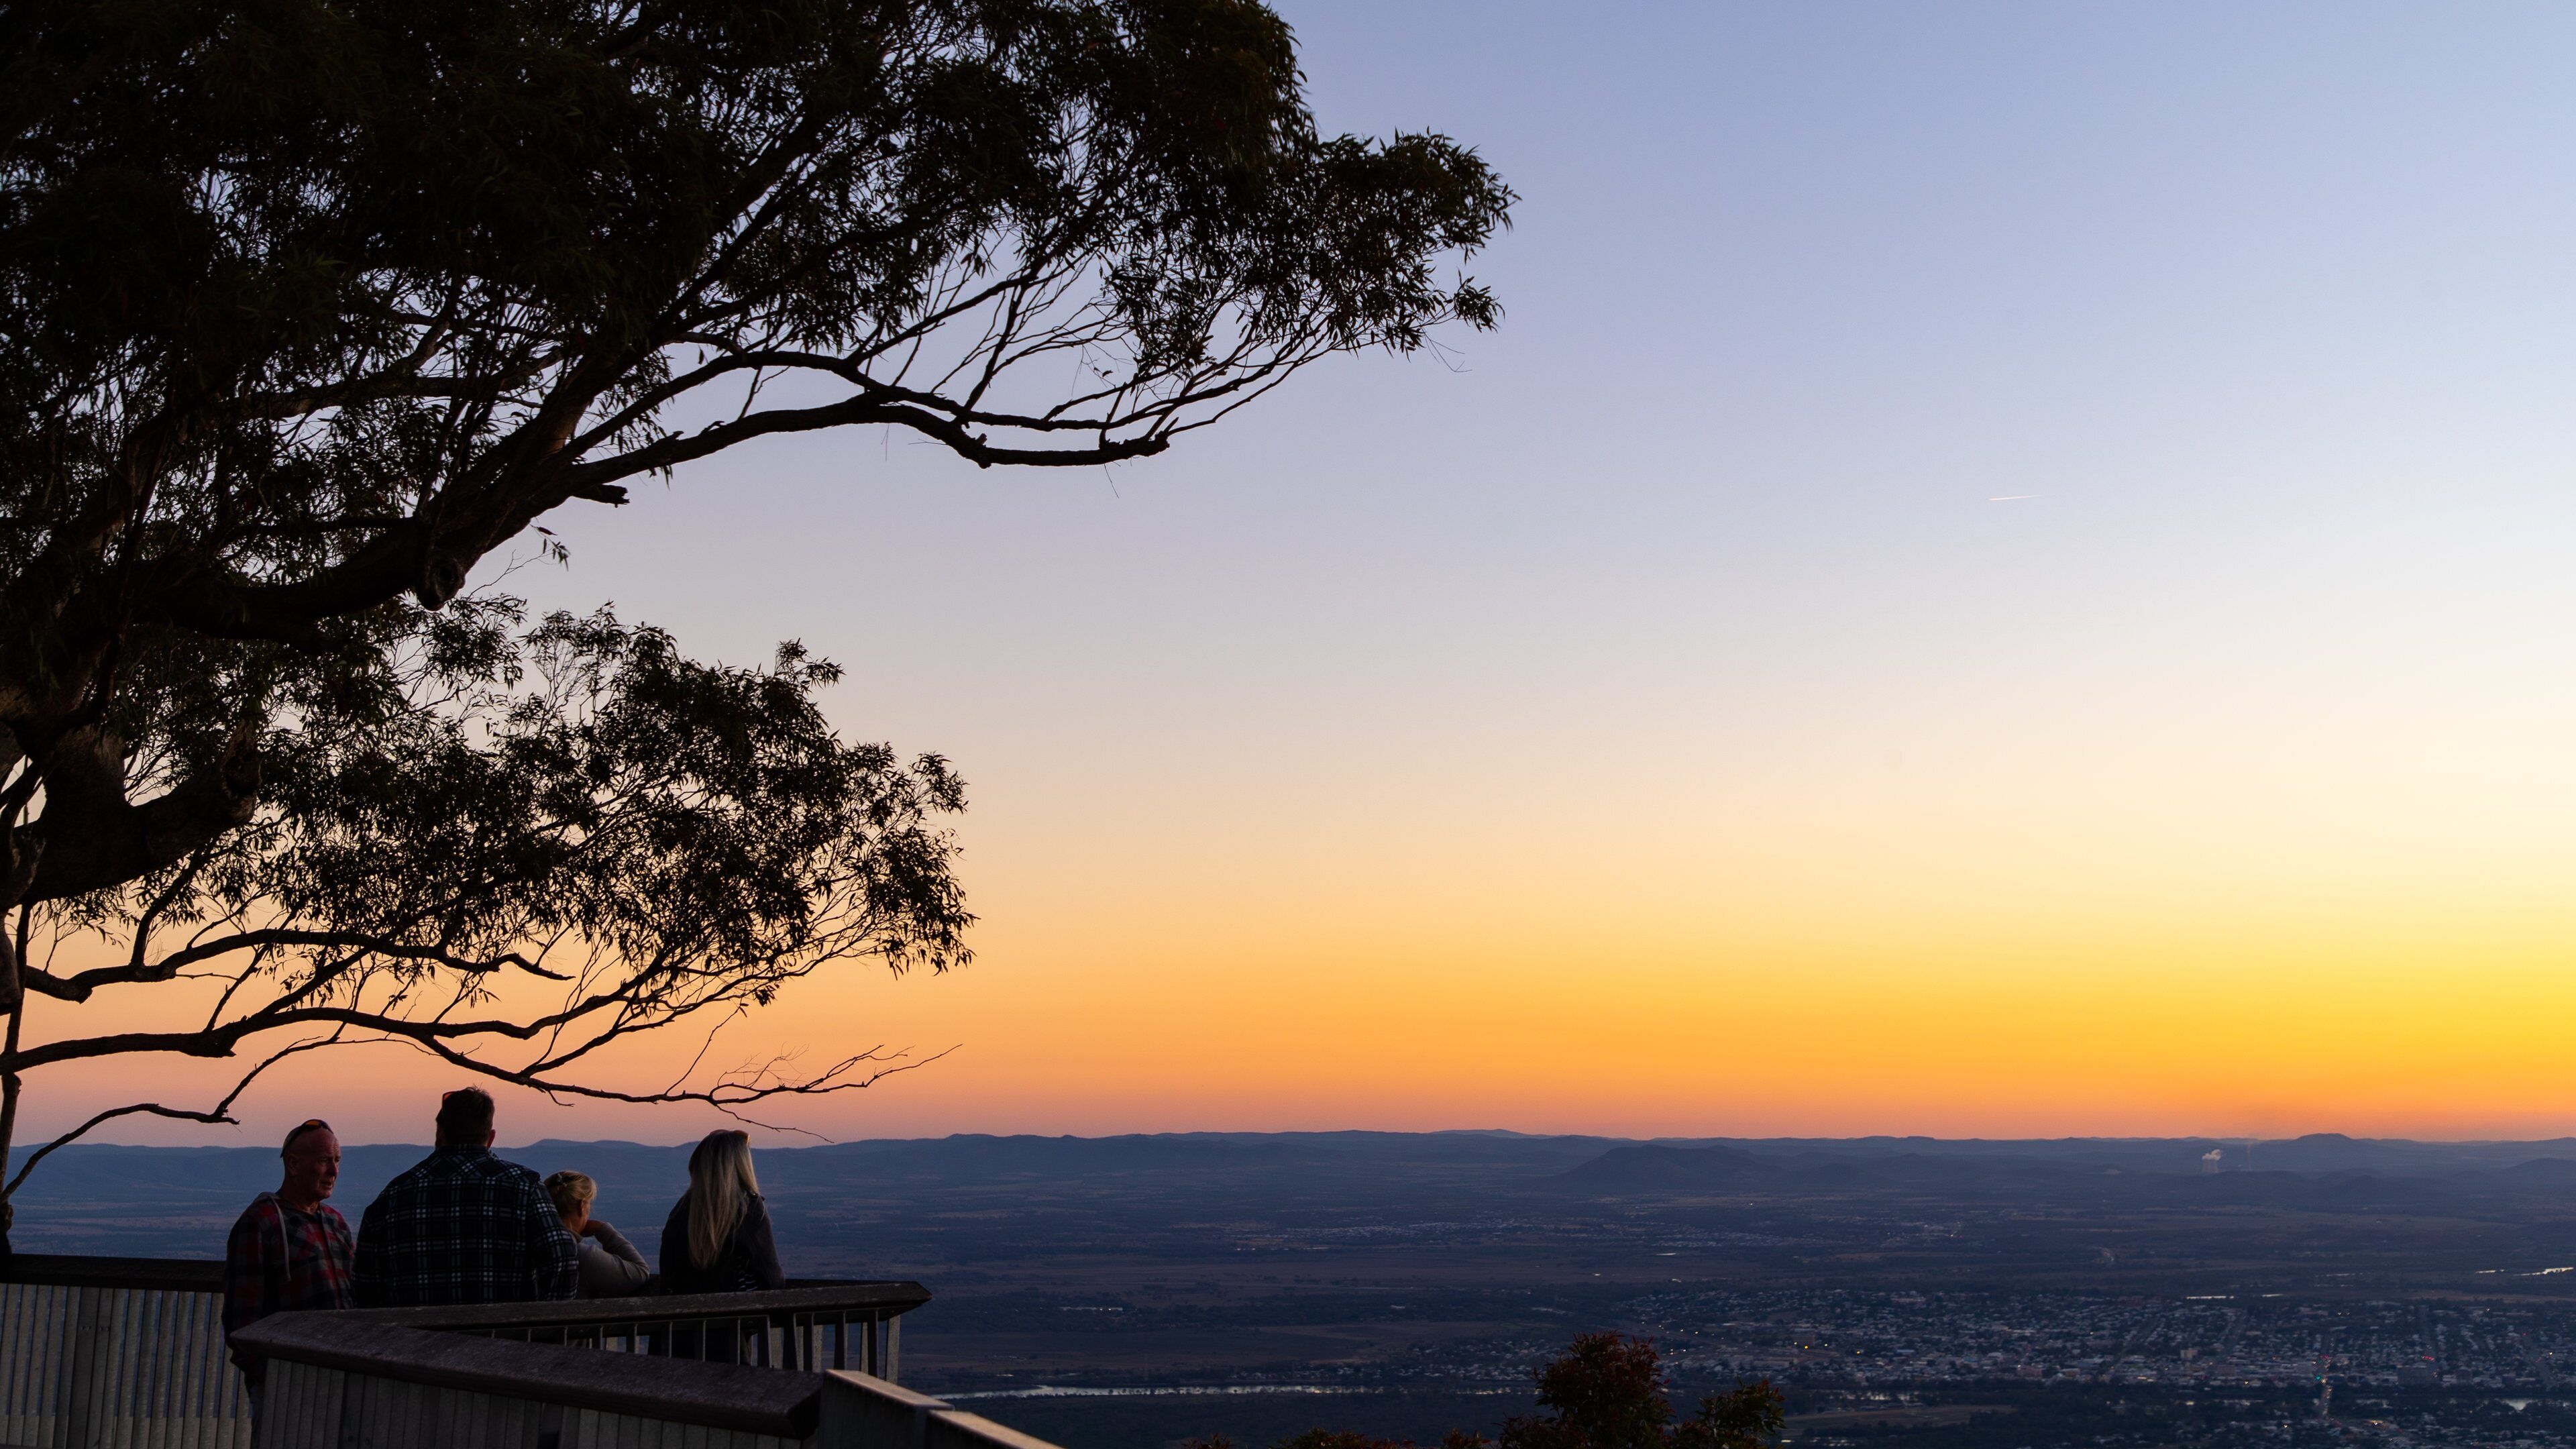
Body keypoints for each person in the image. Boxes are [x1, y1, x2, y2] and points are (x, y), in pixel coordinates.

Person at [353, 1087, 578, 1306]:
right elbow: (562, 1258)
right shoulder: (524, 1187)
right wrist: (542, 1321)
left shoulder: (393, 1196)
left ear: (440, 1134)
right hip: (503, 1330)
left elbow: (366, 1287)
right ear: (490, 1138)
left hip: (413, 1332)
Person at [221, 1119, 356, 1415]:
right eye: (325, 1161)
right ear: (293, 1165)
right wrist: (273, 1378)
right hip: (286, 1389)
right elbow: (241, 1321)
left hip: (340, 1382)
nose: (334, 1171)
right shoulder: (261, 1223)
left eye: (337, 1161)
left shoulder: (336, 1223)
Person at [659, 1129, 786, 1295]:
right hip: (739, 1308)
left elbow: (668, 1271)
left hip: (687, 1308)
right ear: (741, 1166)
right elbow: (770, 1274)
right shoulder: (747, 1207)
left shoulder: (681, 1210)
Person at [542, 1169, 651, 1297]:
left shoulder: (534, 1245)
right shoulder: (580, 1255)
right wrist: (604, 1230)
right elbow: (640, 1273)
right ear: (581, 1206)